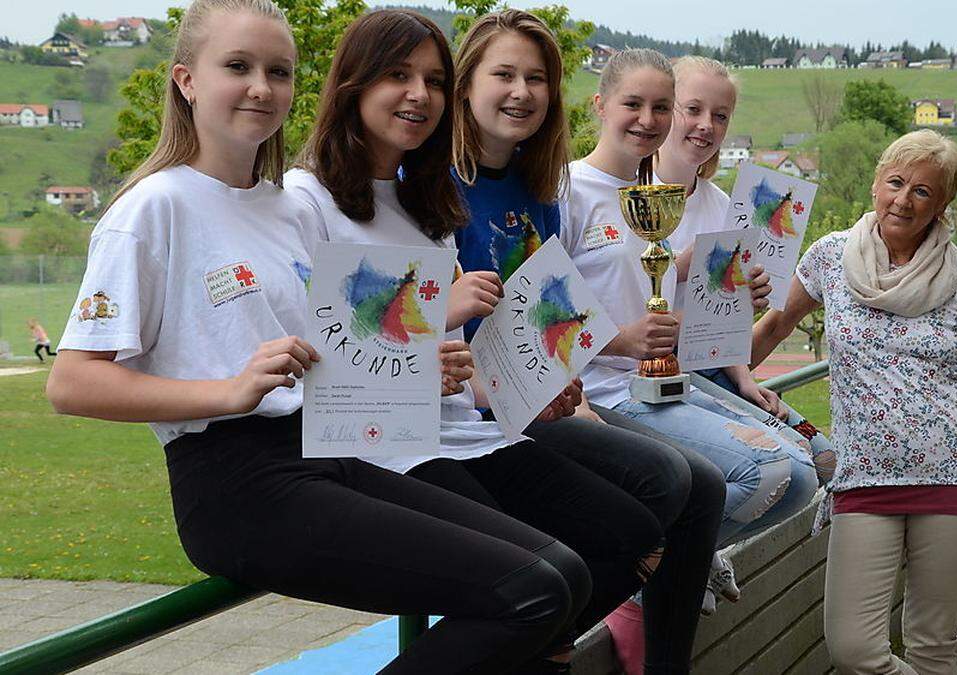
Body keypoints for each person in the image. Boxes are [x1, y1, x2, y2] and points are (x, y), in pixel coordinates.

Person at [47, 3, 594, 672]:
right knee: (531, 593)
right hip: (236, 483)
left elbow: (335, 355)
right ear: (187, 80)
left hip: (323, 452)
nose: (261, 87)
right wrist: (230, 390)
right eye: (238, 67)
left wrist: (418, 371)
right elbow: (72, 381)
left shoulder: (283, 207)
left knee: (564, 572)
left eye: (278, 71)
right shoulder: (154, 208)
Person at [285, 10, 689, 672]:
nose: (419, 95)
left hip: (475, 426)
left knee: (631, 545)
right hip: (392, 446)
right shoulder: (307, 198)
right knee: (544, 585)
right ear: (352, 85)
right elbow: (326, 346)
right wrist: (441, 320)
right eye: (397, 76)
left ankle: (559, 646)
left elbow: (456, 355)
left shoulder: (430, 199)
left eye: (430, 81)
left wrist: (516, 384)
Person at [447, 11, 725, 674]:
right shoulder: (436, 184)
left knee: (704, 487)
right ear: (466, 86)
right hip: (478, 410)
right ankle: (544, 632)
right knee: (662, 483)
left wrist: (569, 384)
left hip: (539, 397)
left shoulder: (537, 187)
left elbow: (551, 314)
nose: (521, 91)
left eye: (536, 78)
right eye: (504, 74)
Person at [558, 47, 819, 617]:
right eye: (639, 104)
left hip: (667, 377)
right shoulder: (567, 190)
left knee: (804, 473)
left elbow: (660, 293)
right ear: (600, 105)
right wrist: (621, 341)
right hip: (600, 393)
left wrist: (727, 299)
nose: (652, 119)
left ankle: (677, 560)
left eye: (661, 107)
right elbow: (545, 312)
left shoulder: (676, 200)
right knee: (772, 470)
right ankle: (654, 567)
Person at [752, 129, 957, 674]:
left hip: (956, 475)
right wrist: (704, 377)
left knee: (931, 645)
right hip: (864, 478)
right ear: (876, 184)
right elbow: (778, 323)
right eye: (895, 182)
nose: (903, 199)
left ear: (942, 203)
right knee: (853, 650)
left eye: (923, 191)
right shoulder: (830, 256)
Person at [653, 55, 836, 484]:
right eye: (692, 109)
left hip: (714, 365)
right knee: (785, 467)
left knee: (824, 457)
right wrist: (684, 268)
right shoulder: (632, 197)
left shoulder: (725, 207)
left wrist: (744, 378)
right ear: (666, 107)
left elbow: (722, 319)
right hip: (659, 372)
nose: (706, 125)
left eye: (720, 116)